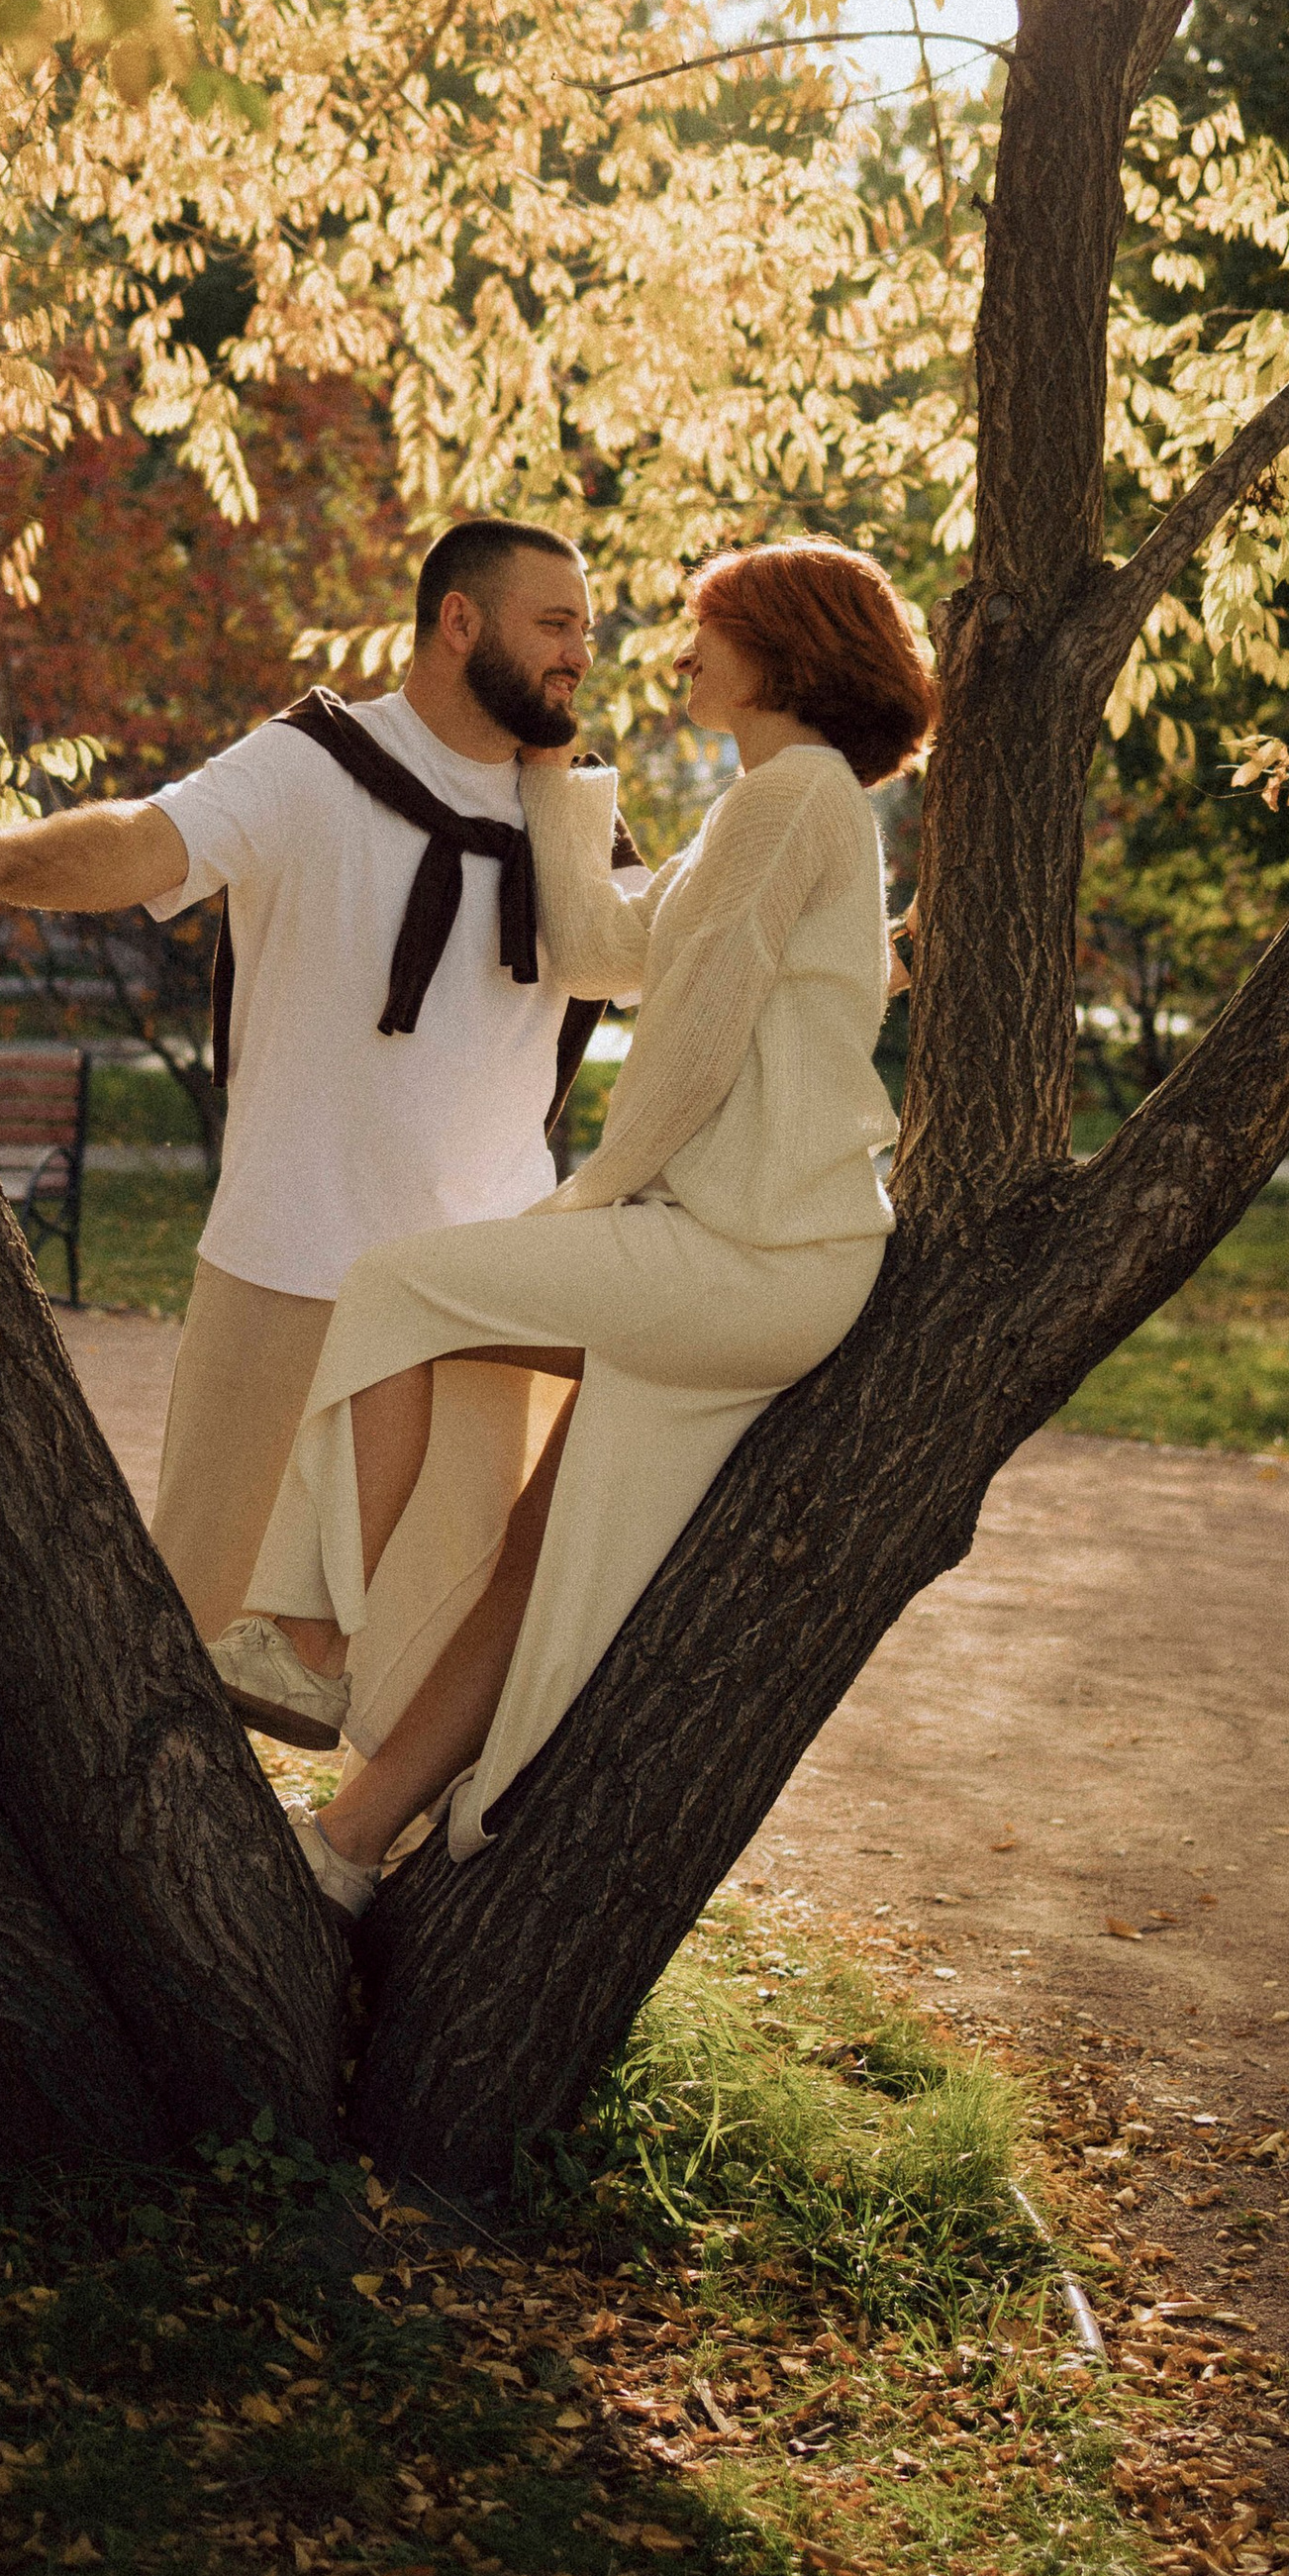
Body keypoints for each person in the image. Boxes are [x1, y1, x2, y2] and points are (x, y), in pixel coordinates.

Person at [246, 535, 936, 1918]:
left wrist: (593, 1197)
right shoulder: (776, 804)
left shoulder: (793, 798)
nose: (684, 652)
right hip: (759, 1256)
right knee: (532, 1568)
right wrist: (549, 774)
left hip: (742, 1251)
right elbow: (599, 954)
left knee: (396, 1289)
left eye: (709, 627)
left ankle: (311, 1643)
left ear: (782, 650)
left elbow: (694, 1040)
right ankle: (348, 1849)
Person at [0, 520, 614, 1672]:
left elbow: (693, 954)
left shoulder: (577, 822)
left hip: (484, 1295)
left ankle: (372, 1856)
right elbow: (141, 845)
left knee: (445, 1652)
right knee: (189, 1634)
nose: (580, 654)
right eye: (555, 624)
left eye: (586, 630)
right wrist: (0, 858)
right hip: (289, 1262)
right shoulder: (313, 762)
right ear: (459, 621)